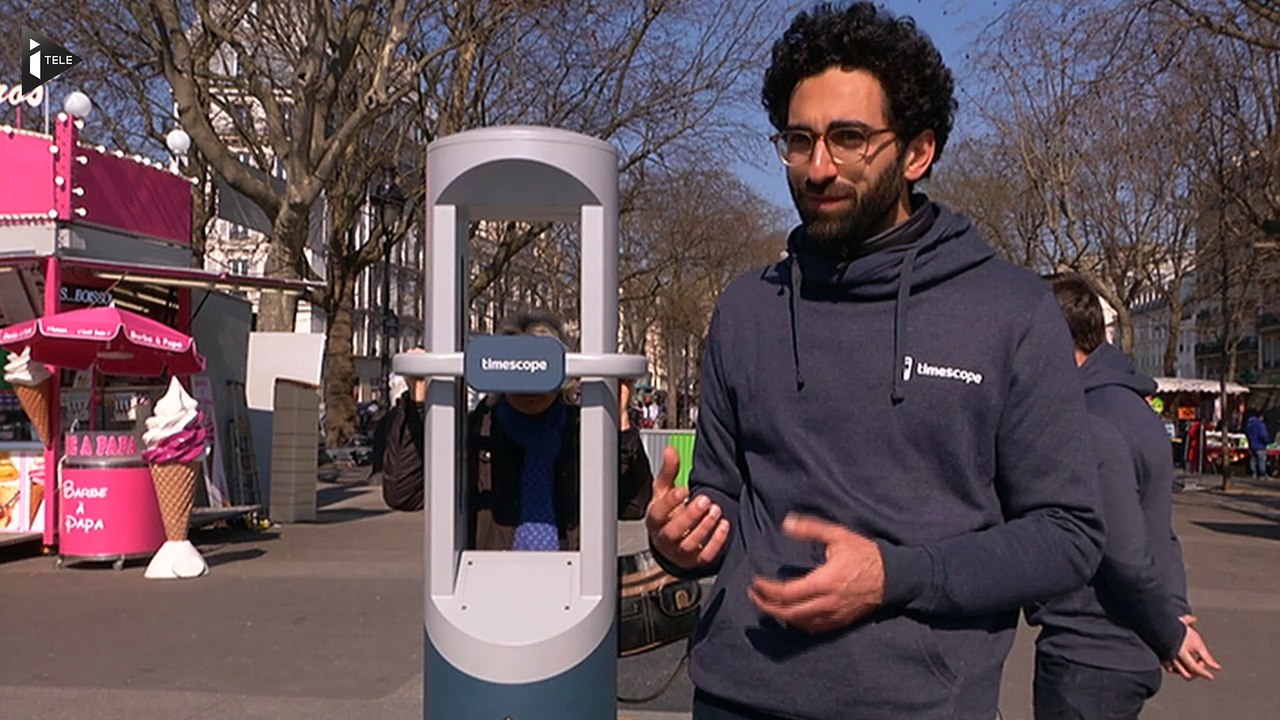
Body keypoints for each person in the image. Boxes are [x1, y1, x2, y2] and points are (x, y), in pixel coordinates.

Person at [643, 4, 1105, 718]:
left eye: (849, 138)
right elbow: (722, 501)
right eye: (799, 140)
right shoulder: (746, 308)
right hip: (736, 697)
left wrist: (897, 575)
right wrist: (681, 537)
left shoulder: (1011, 312)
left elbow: (1067, 536)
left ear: (917, 152)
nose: (818, 167)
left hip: (922, 706)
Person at [1026, 274, 1221, 720]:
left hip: (1089, 655)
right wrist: (1172, 610)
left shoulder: (1092, 422)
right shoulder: (1130, 407)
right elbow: (1160, 531)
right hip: (1113, 650)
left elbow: (1124, 552)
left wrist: (1169, 633)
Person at [381, 310, 662, 550]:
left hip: (572, 589)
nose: (529, 391)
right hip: (485, 588)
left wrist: (620, 419)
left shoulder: (584, 431)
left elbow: (633, 505)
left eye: (538, 374)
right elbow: (404, 493)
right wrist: (418, 400)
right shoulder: (476, 432)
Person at [1245, 409, 1270, 479]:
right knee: (1261, 460)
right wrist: (1266, 441)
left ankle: (1254, 473)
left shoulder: (1249, 424)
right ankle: (1262, 474)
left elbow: (1247, 434)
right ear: (1261, 417)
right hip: (1260, 445)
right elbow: (1263, 435)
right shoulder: (1261, 425)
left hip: (1252, 445)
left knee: (1253, 460)